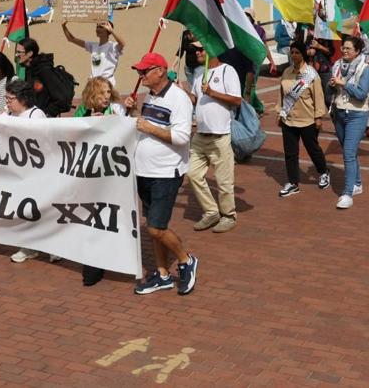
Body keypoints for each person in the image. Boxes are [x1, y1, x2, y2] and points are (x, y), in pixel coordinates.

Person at [122, 52, 198, 296]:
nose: (140, 75)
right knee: (153, 226)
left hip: (166, 172)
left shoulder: (179, 99)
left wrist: (148, 126)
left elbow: (182, 137)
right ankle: (163, 274)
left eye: (145, 71)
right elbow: (143, 128)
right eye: (139, 71)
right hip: (144, 170)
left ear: (160, 71)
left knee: (156, 228)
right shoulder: (150, 97)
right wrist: (134, 115)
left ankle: (186, 261)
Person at [184, 43, 242, 233]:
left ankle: (228, 215)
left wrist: (212, 92)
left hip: (220, 136)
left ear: (213, 51)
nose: (197, 53)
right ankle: (211, 212)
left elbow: (236, 100)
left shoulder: (228, 71)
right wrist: (180, 91)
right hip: (200, 135)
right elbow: (194, 100)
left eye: (201, 49)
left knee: (224, 181)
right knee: (192, 174)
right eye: (195, 51)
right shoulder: (200, 72)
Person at [2, 79, 52, 263]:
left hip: (36, 172)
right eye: (6, 98)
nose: (7, 101)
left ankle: (50, 246)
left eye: (10, 98)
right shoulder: (8, 114)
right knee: (24, 209)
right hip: (17, 172)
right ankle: (29, 247)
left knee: (41, 209)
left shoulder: (35, 115)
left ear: (23, 98)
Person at [277, 41, 330, 196]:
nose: (294, 55)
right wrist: (280, 112)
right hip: (289, 119)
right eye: (292, 52)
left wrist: (318, 117)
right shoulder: (286, 72)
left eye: (297, 53)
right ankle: (293, 183)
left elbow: (319, 97)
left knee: (313, 150)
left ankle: (323, 171)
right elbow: (282, 95)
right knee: (290, 153)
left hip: (307, 119)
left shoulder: (311, 74)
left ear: (303, 54)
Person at [329, 35, 369, 209]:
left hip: (357, 114)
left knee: (348, 153)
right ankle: (357, 183)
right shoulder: (338, 65)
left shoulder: (365, 68)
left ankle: (347, 194)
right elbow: (334, 86)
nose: (344, 51)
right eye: (343, 48)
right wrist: (332, 84)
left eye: (348, 49)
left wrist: (344, 83)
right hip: (340, 112)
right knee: (350, 152)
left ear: (357, 51)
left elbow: (362, 94)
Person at [15, 37, 73, 117]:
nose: (16, 55)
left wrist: (46, 114)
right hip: (33, 118)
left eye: (19, 52)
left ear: (30, 53)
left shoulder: (44, 71)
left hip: (44, 122)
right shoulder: (29, 70)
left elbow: (62, 99)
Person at [62, 19, 125, 86]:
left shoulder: (113, 46)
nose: (97, 29)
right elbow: (71, 39)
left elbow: (122, 43)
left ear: (108, 30)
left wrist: (112, 31)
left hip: (106, 84)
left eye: (101, 27)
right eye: (97, 27)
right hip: (93, 84)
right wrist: (64, 26)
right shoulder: (93, 45)